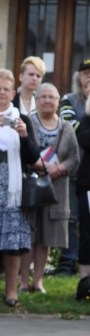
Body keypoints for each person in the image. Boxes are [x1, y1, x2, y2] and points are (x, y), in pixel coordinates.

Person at [0, 69, 39, 306]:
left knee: (12, 242)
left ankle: (11, 292)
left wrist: (24, 136)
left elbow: (34, 157)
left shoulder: (22, 117)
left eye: (6, 89)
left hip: (14, 189)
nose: (2, 93)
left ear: (12, 93)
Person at [23, 83, 79, 294]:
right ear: (36, 101)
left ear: (58, 101)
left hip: (56, 190)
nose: (47, 100)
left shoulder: (66, 127)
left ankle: (38, 282)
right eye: (43, 97)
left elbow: (74, 157)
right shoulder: (28, 123)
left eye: (52, 97)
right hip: (32, 186)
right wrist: (42, 166)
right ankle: (23, 283)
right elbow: (22, 150)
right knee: (29, 235)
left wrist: (60, 168)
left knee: (45, 239)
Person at [57, 58, 90, 274]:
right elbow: (74, 129)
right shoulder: (68, 100)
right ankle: (67, 264)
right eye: (85, 73)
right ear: (79, 77)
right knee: (71, 217)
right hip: (73, 169)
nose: (89, 77)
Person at [74, 93, 90, 300]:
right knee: (87, 234)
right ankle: (86, 282)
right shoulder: (86, 120)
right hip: (88, 186)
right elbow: (84, 139)